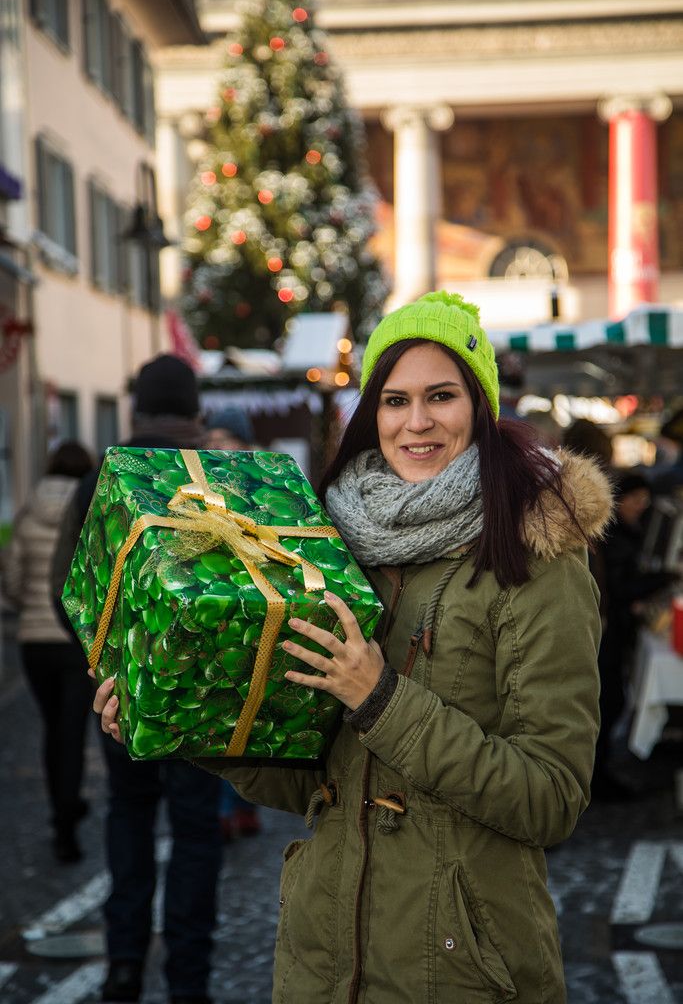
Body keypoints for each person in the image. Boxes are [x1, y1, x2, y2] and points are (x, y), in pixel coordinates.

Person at [96, 293, 610, 1004]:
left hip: (458, 967)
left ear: (482, 407)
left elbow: (549, 798)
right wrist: (179, 723)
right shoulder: (336, 546)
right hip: (322, 960)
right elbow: (311, 780)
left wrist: (381, 700)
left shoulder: (535, 556)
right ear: (370, 413)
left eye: (441, 396)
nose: (416, 421)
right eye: (394, 400)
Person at [53, 355, 221, 1004]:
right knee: (196, 831)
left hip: (116, 693)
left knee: (129, 815)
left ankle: (123, 963)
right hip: (202, 694)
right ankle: (190, 979)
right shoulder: (214, 475)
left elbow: (63, 585)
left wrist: (106, 665)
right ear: (195, 413)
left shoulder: (102, 476)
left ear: (137, 410)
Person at [4, 440, 93, 863]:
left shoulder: (26, 513)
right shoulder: (88, 512)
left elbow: (13, 579)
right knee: (72, 733)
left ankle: (60, 808)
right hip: (72, 641)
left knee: (51, 727)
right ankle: (67, 827)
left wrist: (27, 608)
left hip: (34, 642)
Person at [592, 470, 677, 801]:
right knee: (609, 700)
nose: (641, 506)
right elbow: (621, 588)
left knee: (613, 700)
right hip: (608, 633)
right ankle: (598, 776)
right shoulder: (615, 537)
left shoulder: (628, 532)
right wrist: (665, 578)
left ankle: (601, 771)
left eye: (645, 500)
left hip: (614, 630)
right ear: (620, 500)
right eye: (636, 500)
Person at [201, 404, 263, 840]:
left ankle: (246, 806)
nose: (218, 448)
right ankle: (225, 809)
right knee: (222, 713)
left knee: (251, 712)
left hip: (256, 613)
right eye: (212, 441)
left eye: (226, 440)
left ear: (244, 444)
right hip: (216, 614)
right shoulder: (197, 487)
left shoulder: (261, 484)